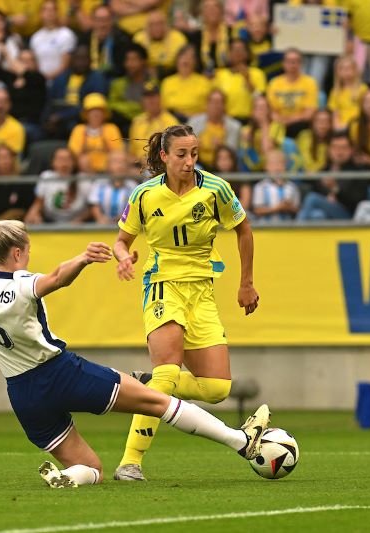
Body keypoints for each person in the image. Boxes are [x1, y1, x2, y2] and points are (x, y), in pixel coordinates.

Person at [0, 164, 271, 488]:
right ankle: (241, 442)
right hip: (59, 373)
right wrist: (81, 259)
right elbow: (54, 279)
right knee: (160, 402)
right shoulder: (21, 284)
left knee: (91, 467)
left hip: (21, 394)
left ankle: (67, 476)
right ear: (17, 253)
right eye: (27, 249)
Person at [111, 123, 261, 482]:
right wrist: (123, 257)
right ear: (164, 156)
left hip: (202, 291)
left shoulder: (215, 189)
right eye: (181, 154)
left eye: (194, 154)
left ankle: (148, 383)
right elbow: (121, 240)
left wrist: (246, 283)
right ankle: (130, 463)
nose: (189, 161)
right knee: (167, 372)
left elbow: (243, 229)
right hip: (162, 285)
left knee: (216, 389)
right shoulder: (145, 195)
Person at [297, 131, 370, 221]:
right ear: (329, 150)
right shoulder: (324, 170)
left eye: (344, 147)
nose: (339, 152)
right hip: (326, 212)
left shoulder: (358, 172)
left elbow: (358, 202)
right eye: (335, 147)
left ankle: (294, 230)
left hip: (348, 215)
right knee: (317, 215)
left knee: (312, 198)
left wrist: (336, 189)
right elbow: (317, 190)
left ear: (351, 150)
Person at [266, 48, 319, 137]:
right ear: (283, 64)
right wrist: (281, 120)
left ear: (301, 64)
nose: (293, 65)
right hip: (279, 123)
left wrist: (289, 120)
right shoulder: (274, 83)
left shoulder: (310, 82)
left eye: (296, 61)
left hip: (300, 124)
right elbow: (271, 110)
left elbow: (309, 113)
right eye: (289, 61)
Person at [67, 92, 124, 175]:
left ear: (104, 114)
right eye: (92, 111)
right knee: (84, 159)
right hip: (84, 172)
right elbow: (73, 155)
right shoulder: (79, 129)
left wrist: (104, 142)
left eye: (99, 111)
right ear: (86, 114)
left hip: (109, 171)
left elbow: (117, 152)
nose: (96, 114)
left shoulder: (111, 128)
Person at [187, 89, 242, 170]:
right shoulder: (193, 123)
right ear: (207, 104)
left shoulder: (234, 126)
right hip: (198, 163)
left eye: (218, 103)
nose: (215, 106)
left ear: (224, 105)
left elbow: (233, 152)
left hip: (222, 166)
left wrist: (221, 147)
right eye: (212, 102)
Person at [127, 82, 179, 162]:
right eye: (147, 97)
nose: (150, 101)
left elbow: (173, 152)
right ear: (142, 101)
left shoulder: (170, 122)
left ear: (160, 98)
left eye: (153, 97)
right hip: (138, 164)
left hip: (160, 164)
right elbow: (132, 151)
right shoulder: (137, 121)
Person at [160, 44, 212, 121]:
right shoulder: (167, 82)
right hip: (172, 122)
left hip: (196, 121)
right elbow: (162, 108)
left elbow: (209, 109)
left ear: (195, 62)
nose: (186, 60)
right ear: (177, 60)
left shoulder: (204, 82)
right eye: (183, 56)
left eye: (190, 57)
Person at [29, 0, 77, 82]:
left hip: (61, 81)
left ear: (58, 13)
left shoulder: (66, 34)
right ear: (40, 14)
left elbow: (65, 65)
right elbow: (34, 64)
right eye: (46, 10)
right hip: (40, 82)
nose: (49, 13)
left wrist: (46, 77)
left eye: (53, 10)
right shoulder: (35, 38)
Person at [133, 9, 188, 78]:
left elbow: (185, 62)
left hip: (173, 74)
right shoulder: (139, 38)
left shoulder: (178, 37)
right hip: (146, 75)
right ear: (146, 26)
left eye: (160, 23)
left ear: (166, 24)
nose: (156, 28)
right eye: (152, 24)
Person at [88, 150, 140, 224]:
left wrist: (123, 218)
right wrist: (100, 219)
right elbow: (94, 205)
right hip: (102, 228)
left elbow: (135, 208)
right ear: (107, 166)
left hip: (125, 226)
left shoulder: (133, 186)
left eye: (123, 162)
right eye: (115, 162)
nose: (120, 165)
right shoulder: (99, 184)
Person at [251, 148, 300, 221]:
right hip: (266, 229)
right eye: (273, 164)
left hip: (288, 229)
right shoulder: (260, 186)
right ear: (266, 167)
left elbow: (297, 209)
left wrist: (288, 207)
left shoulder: (292, 186)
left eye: (280, 163)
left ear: (285, 166)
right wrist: (277, 208)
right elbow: (258, 210)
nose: (277, 167)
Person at [327, 55, 367, 131]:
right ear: (338, 72)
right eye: (343, 69)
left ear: (355, 70)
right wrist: (337, 126)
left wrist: (350, 124)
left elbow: (364, 111)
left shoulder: (362, 89)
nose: (346, 72)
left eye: (349, 68)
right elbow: (335, 112)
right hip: (340, 126)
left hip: (358, 124)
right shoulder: (335, 92)